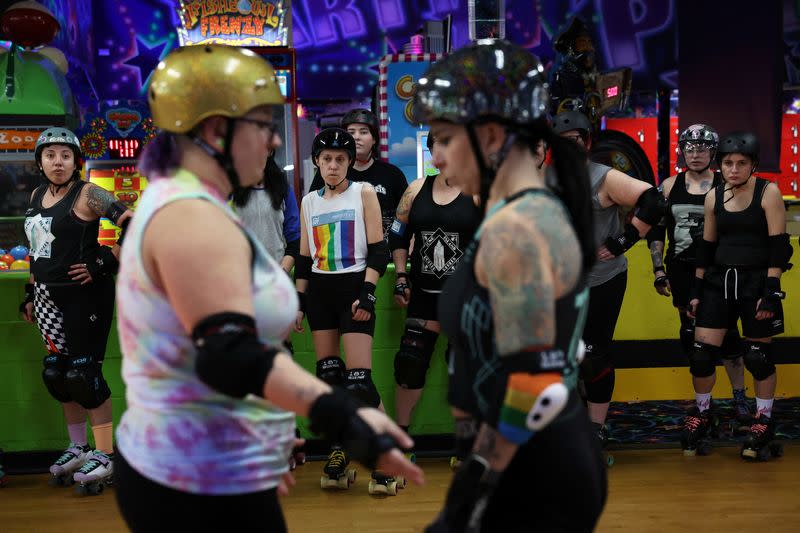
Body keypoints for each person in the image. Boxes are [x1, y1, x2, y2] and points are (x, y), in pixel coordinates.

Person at [113, 45, 421, 531]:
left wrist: (261, 426)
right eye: (263, 125)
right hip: (193, 476)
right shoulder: (188, 214)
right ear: (216, 130)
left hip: (213, 462)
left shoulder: (191, 202)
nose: (274, 141)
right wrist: (344, 418)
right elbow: (229, 352)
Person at [414, 39, 606, 532]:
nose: (435, 157)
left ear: (493, 135)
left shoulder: (517, 229)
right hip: (529, 459)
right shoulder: (522, 213)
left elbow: (534, 384)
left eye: (443, 139)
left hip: (531, 470)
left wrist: (475, 482)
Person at [20, 127, 131, 491]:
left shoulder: (89, 193)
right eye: (50, 155)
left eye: (65, 155)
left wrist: (104, 265)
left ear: (75, 161)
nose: (58, 162)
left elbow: (132, 222)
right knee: (59, 374)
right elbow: (39, 251)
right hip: (48, 297)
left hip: (86, 296)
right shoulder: (37, 195)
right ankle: (79, 447)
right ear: (40, 161)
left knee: (84, 374)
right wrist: (29, 294)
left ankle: (105, 454)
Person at [295, 127, 404, 495]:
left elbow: (378, 249)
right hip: (321, 294)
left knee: (359, 383)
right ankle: (340, 451)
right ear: (316, 162)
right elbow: (305, 258)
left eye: (340, 159)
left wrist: (369, 292)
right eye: (326, 159)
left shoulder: (364, 192)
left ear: (349, 163)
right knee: (330, 379)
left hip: (355, 289)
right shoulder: (310, 201)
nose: (333, 166)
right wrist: (299, 299)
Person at [552, 110, 666, 449]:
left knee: (592, 356)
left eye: (573, 142)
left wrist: (624, 240)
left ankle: (596, 428)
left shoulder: (603, 178)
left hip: (601, 281)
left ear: (586, 143)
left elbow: (653, 200)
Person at [686, 131, 792, 460]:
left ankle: (763, 420)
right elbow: (707, 246)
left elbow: (778, 245)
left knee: (758, 358)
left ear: (753, 165)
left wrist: (771, 292)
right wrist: (696, 291)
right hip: (719, 281)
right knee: (702, 353)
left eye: (741, 163)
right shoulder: (713, 197)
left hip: (756, 282)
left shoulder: (768, 192)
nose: (733, 169)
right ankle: (703, 413)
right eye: (728, 163)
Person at [646, 124, 749, 440]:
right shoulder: (669, 185)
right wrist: (658, 270)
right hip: (681, 269)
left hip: (720, 269)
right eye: (689, 148)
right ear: (682, 150)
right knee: (693, 337)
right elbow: (657, 231)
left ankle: (740, 398)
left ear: (712, 152)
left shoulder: (725, 184)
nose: (695, 154)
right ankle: (705, 404)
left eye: (701, 148)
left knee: (729, 336)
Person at [388, 133, 481, 461]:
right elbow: (397, 235)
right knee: (410, 367)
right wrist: (400, 276)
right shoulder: (415, 190)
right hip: (423, 296)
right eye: (438, 147)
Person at [309, 109, 408, 248]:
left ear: (374, 139)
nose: (356, 137)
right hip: (342, 253)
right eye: (351, 132)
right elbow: (313, 212)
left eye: (363, 132)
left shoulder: (392, 174)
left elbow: (406, 217)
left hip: (386, 253)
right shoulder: (329, 173)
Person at [232, 152, 300, 274]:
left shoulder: (283, 189)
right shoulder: (230, 189)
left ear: (270, 151)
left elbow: (294, 240)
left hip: (276, 278)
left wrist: (281, 275)